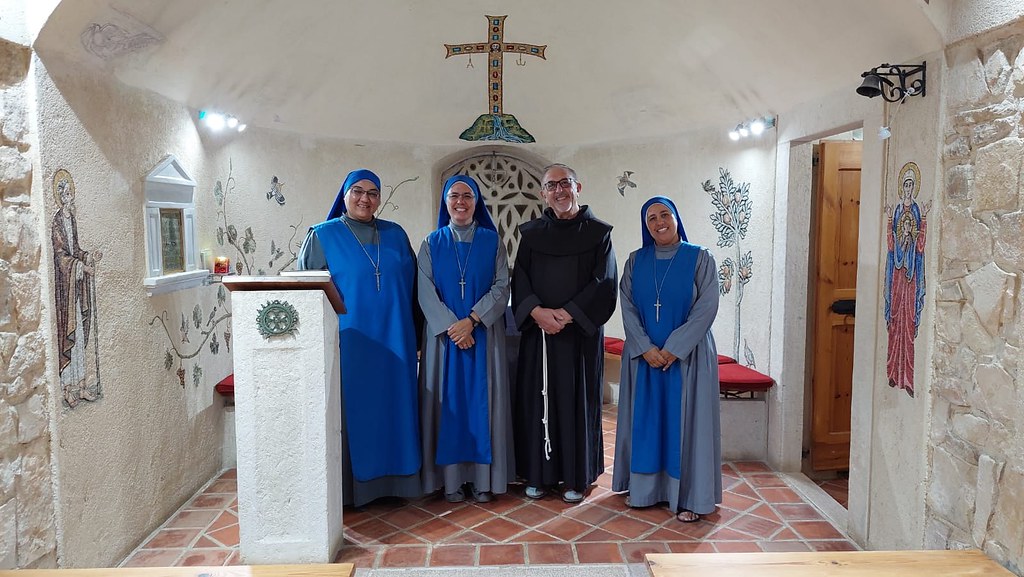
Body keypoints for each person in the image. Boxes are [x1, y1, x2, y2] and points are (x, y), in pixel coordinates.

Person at [297, 169, 421, 507]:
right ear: (345, 194)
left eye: (372, 193)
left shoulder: (395, 235)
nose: (365, 198)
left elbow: (415, 291)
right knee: (358, 412)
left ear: (380, 198)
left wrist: (420, 335)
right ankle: (354, 492)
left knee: (396, 409)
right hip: (350, 343)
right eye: (357, 191)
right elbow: (307, 295)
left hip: (397, 339)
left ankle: (399, 484)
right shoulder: (322, 236)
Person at [511, 163, 617, 504]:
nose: (559, 190)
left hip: (579, 337)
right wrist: (537, 312)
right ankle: (539, 476)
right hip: (539, 333)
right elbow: (520, 279)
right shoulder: (530, 234)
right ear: (543, 193)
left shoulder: (598, 234)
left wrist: (568, 314)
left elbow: (604, 282)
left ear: (578, 187)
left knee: (576, 403)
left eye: (565, 183)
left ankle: (575, 476)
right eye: (551, 185)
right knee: (538, 398)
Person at [611, 196, 721, 523]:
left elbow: (707, 307)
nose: (659, 222)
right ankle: (645, 491)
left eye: (664, 215)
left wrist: (674, 347)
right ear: (645, 226)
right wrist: (644, 347)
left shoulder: (700, 259)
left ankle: (689, 497)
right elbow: (627, 307)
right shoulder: (635, 262)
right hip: (646, 359)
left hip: (688, 358)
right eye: (651, 218)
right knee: (647, 423)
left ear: (676, 217)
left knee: (686, 426)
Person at [417, 175, 514, 503]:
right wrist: (452, 327)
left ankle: (484, 481)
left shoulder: (492, 241)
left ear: (477, 202)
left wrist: (471, 321)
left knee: (482, 405)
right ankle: (451, 482)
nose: (461, 202)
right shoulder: (431, 243)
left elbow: (503, 285)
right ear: (445, 202)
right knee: (448, 407)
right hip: (445, 342)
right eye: (454, 196)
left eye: (467, 196)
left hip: (483, 335)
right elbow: (425, 290)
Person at [51, 169, 103, 409]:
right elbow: (62, 257)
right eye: (66, 193)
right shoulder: (58, 221)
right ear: (61, 197)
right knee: (69, 335)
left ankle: (82, 386)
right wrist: (80, 267)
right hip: (67, 289)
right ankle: (67, 388)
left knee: (80, 334)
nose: (69, 196)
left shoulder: (71, 219)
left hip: (77, 286)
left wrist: (88, 256)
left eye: (70, 192)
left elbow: (75, 250)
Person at [884, 162, 928, 397]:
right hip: (897, 278)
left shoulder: (917, 212)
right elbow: (892, 247)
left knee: (908, 325)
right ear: (903, 187)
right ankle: (892, 372)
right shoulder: (899, 211)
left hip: (911, 280)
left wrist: (922, 226)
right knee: (895, 323)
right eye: (906, 184)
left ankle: (907, 378)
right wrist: (892, 223)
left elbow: (920, 248)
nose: (909, 188)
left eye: (912, 184)